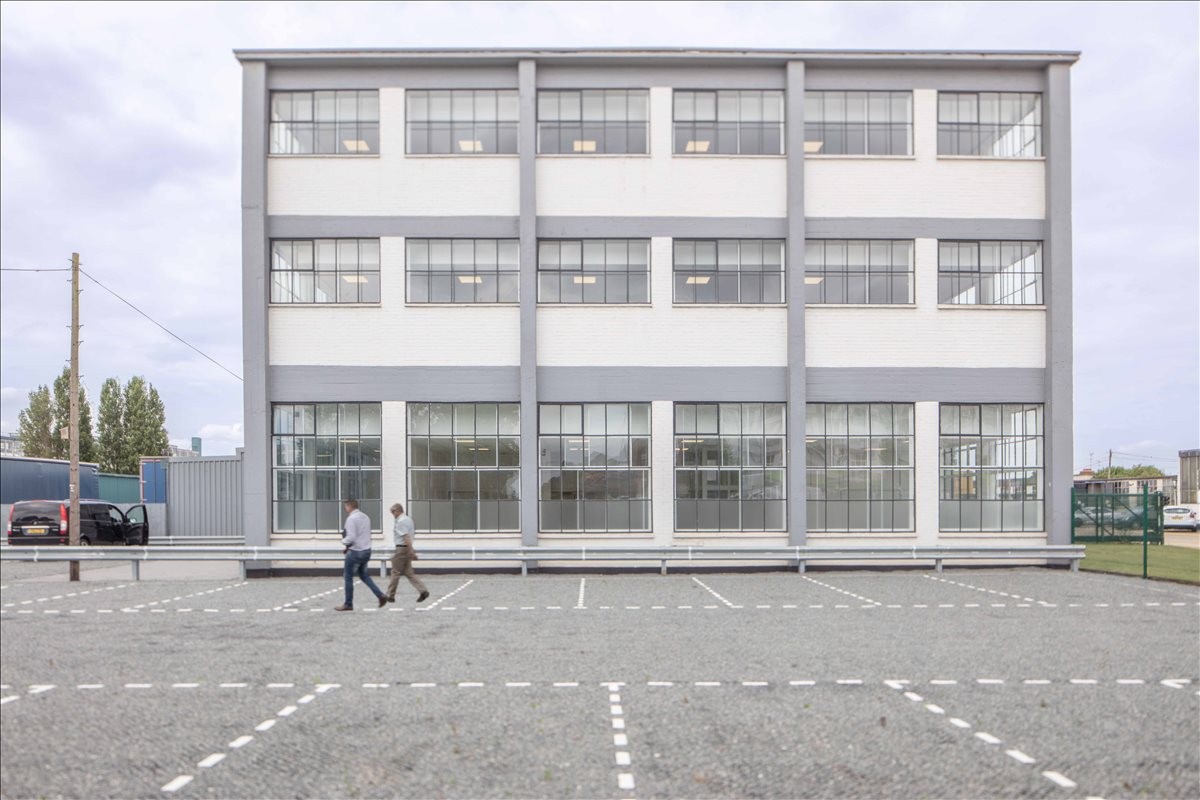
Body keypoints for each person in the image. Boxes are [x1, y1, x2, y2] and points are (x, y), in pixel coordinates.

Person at [334, 499, 387, 611]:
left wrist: (343, 542)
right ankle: (380, 595)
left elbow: (352, 537)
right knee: (364, 575)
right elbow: (363, 535)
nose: (345, 509)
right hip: (366, 550)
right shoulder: (365, 517)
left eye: (345, 507)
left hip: (355, 552)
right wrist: (347, 547)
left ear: (349, 506)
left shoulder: (351, 519)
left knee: (348, 577)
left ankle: (348, 604)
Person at [385, 503, 430, 604]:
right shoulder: (408, 519)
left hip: (401, 549)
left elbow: (406, 538)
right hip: (406, 549)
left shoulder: (401, 521)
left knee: (395, 572)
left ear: (397, 510)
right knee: (409, 573)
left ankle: (390, 595)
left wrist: (411, 551)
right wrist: (410, 550)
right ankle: (423, 591)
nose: (393, 514)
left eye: (393, 512)